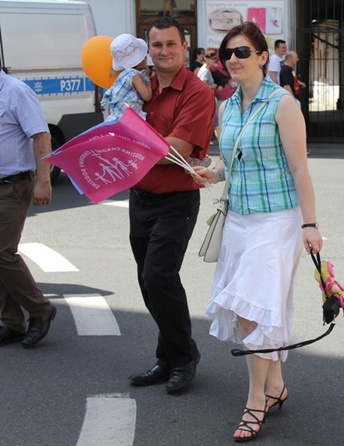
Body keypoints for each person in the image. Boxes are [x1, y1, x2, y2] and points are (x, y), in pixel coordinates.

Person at [191, 22, 321, 442]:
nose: (232, 59)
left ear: (264, 57)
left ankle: (254, 401)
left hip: (276, 219)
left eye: (242, 52)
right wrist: (209, 173)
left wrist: (310, 223)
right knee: (265, 307)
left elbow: (300, 167)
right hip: (239, 221)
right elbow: (231, 163)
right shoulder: (228, 107)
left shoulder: (282, 105)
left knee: (252, 306)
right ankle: (277, 386)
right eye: (227, 53)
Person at [127, 17, 215, 393]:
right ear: (149, 48)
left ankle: (183, 357)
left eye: (170, 44)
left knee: (158, 276)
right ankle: (168, 355)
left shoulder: (197, 92)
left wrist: (126, 143)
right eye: (157, 45)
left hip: (176, 199)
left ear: (184, 47)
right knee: (148, 283)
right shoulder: (139, 87)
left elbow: (175, 152)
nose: (163, 51)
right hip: (140, 196)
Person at [0, 70, 57, 348]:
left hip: (12, 186)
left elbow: (41, 136)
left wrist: (43, 181)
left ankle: (40, 309)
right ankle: (11, 322)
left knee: (2, 253)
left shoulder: (16, 91)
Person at [101, 34, 153, 121]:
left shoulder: (122, 76)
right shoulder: (134, 76)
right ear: (137, 61)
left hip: (115, 120)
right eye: (143, 57)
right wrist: (148, 78)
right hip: (128, 122)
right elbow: (147, 96)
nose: (145, 60)